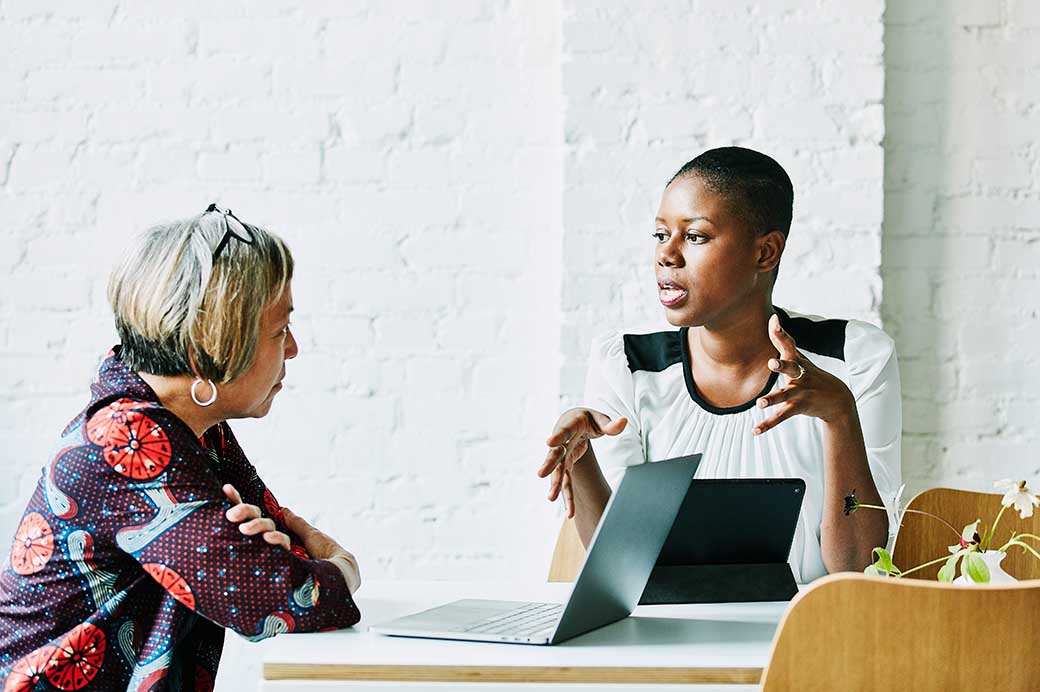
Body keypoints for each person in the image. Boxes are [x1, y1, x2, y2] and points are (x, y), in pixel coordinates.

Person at [0, 206, 361, 691]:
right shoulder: (126, 440)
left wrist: (279, 562)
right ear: (208, 348)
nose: (293, 348)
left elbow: (278, 548)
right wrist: (341, 567)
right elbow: (276, 598)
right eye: (278, 331)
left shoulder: (187, 425)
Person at [538, 147, 900, 582]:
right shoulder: (628, 367)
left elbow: (860, 568)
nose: (666, 256)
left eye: (695, 236)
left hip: (807, 636)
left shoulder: (852, 359)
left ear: (765, 253)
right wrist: (581, 461)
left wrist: (839, 414)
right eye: (660, 235)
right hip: (667, 642)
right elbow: (622, 571)